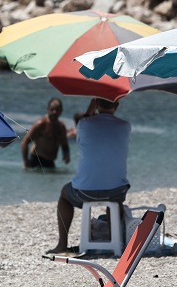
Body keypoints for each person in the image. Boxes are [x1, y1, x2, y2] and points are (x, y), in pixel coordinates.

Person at [49, 98, 131, 254]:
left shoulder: (84, 124)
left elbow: (86, 120)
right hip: (116, 191)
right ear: (117, 105)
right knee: (116, 199)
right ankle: (116, 242)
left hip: (84, 193)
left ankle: (61, 244)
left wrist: (92, 104)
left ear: (96, 104)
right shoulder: (125, 126)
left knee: (64, 194)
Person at [21, 97, 70, 169]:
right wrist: (26, 161)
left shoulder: (61, 127)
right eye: (52, 109)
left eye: (57, 110)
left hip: (50, 162)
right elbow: (25, 142)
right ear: (48, 109)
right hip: (36, 161)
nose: (54, 112)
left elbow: (64, 145)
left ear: (61, 111)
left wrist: (66, 156)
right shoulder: (41, 124)